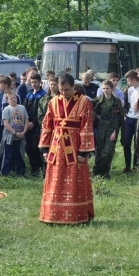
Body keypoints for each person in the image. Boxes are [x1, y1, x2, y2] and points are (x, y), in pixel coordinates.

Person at [39, 73, 95, 224]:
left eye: (67, 90)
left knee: (75, 179)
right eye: (61, 90)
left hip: (75, 145)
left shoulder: (84, 102)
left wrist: (84, 151)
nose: (64, 93)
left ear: (74, 87)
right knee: (55, 179)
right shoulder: (53, 102)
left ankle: (77, 214)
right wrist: (44, 149)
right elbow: (47, 125)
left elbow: (86, 126)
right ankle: (52, 215)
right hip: (56, 146)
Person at [92, 80, 124, 179]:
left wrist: (116, 131)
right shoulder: (98, 100)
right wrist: (96, 117)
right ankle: (97, 171)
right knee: (100, 149)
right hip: (101, 127)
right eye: (104, 88)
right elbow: (90, 109)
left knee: (109, 150)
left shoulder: (116, 101)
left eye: (107, 88)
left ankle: (105, 170)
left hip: (112, 127)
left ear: (112, 89)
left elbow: (119, 118)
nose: (105, 90)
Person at [23, 73, 46, 176]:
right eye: (32, 82)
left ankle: (40, 167)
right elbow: (24, 109)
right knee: (28, 148)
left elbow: (41, 111)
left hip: (37, 125)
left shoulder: (43, 94)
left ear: (40, 82)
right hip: (27, 125)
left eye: (35, 82)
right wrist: (26, 122)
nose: (33, 84)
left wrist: (33, 123)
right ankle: (33, 168)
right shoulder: (29, 94)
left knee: (35, 147)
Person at [1, 92, 28, 176]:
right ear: (7, 100)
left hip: (21, 135)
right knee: (8, 154)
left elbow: (26, 120)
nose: (13, 99)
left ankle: (21, 172)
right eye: (11, 98)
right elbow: (6, 123)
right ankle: (5, 173)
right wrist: (14, 132)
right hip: (9, 136)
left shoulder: (22, 108)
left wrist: (24, 132)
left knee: (19, 153)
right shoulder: (7, 109)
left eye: (14, 97)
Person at [122, 69, 139, 174]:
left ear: (134, 79)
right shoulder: (130, 90)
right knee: (126, 142)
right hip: (130, 118)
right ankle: (127, 165)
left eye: (129, 81)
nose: (128, 83)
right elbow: (130, 103)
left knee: (137, 142)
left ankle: (135, 165)